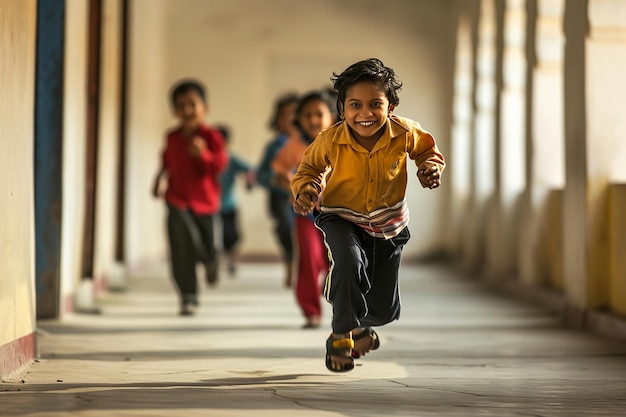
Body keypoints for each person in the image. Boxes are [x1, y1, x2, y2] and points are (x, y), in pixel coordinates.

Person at [290, 58, 446, 372]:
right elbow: (309, 170)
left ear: (391, 106)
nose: (365, 114)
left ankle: (358, 321)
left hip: (389, 225)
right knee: (349, 264)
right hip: (341, 218)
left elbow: (427, 151)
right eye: (355, 105)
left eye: (375, 104)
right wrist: (306, 190)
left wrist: (429, 167)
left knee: (384, 310)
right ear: (341, 108)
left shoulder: (405, 132)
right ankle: (340, 336)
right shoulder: (330, 140)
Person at [152, 79, 228, 316]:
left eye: (192, 105)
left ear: (204, 108)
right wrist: (158, 179)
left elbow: (219, 165)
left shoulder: (211, 136)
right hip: (176, 199)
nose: (186, 110)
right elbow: (166, 161)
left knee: (203, 245)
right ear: (174, 110)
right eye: (181, 105)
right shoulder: (172, 137)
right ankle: (188, 296)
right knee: (180, 248)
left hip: (204, 203)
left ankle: (211, 260)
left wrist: (203, 154)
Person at [272, 91, 334, 329]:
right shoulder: (295, 144)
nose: (313, 120)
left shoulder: (339, 141)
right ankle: (310, 310)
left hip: (337, 215)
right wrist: (289, 180)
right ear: (299, 119)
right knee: (308, 259)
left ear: (331, 116)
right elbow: (278, 169)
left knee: (335, 263)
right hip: (305, 215)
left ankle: (336, 298)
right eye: (307, 115)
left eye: (319, 114)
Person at [256, 93, 299, 288]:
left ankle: (305, 266)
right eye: (285, 115)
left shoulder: (313, 144)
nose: (290, 119)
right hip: (280, 198)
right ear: (277, 119)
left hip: (306, 199)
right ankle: (290, 262)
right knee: (285, 228)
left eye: (294, 114)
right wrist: (274, 180)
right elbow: (261, 175)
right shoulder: (273, 147)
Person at [215, 124, 255, 275]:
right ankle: (215, 260)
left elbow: (250, 169)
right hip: (209, 205)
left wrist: (249, 181)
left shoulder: (230, 159)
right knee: (212, 235)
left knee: (231, 235)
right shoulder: (207, 158)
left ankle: (231, 261)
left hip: (229, 204)